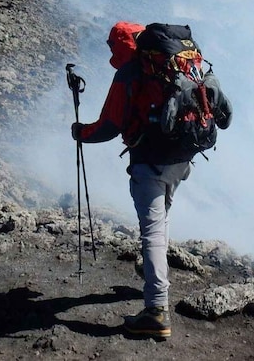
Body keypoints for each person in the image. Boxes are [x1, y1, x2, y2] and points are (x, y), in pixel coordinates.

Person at [71, 22, 192, 339]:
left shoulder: (130, 72)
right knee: (161, 219)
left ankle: (156, 311)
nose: (111, 52)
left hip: (149, 161)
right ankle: (157, 275)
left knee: (151, 232)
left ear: (121, 44)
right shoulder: (172, 63)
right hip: (181, 157)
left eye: (112, 46)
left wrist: (80, 132)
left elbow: (110, 126)